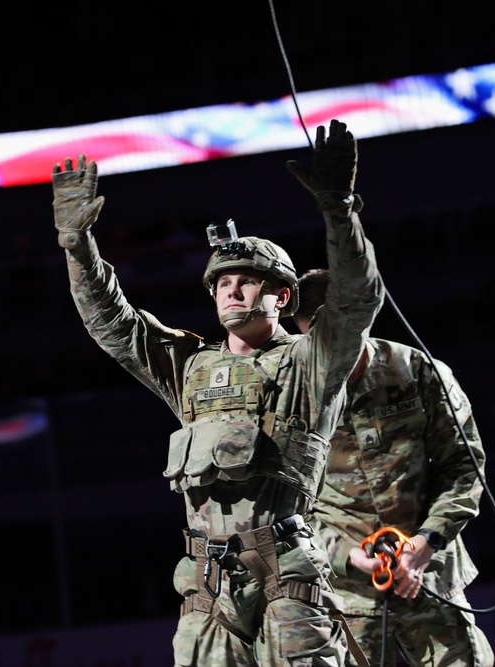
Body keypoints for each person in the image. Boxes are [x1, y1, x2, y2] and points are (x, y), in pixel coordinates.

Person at [50, 119, 384, 666]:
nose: (231, 289)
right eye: (222, 282)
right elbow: (114, 323)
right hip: (207, 582)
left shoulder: (308, 362)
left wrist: (339, 209)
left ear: (281, 296)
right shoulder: (190, 366)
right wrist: (76, 247)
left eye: (246, 280)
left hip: (288, 574)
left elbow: (356, 300)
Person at [293, 268, 494, 667]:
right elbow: (286, 507)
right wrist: (348, 556)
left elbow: (464, 467)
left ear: (361, 319)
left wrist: (427, 542)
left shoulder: (418, 372)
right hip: (345, 597)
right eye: (314, 336)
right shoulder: (294, 394)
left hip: (432, 579)